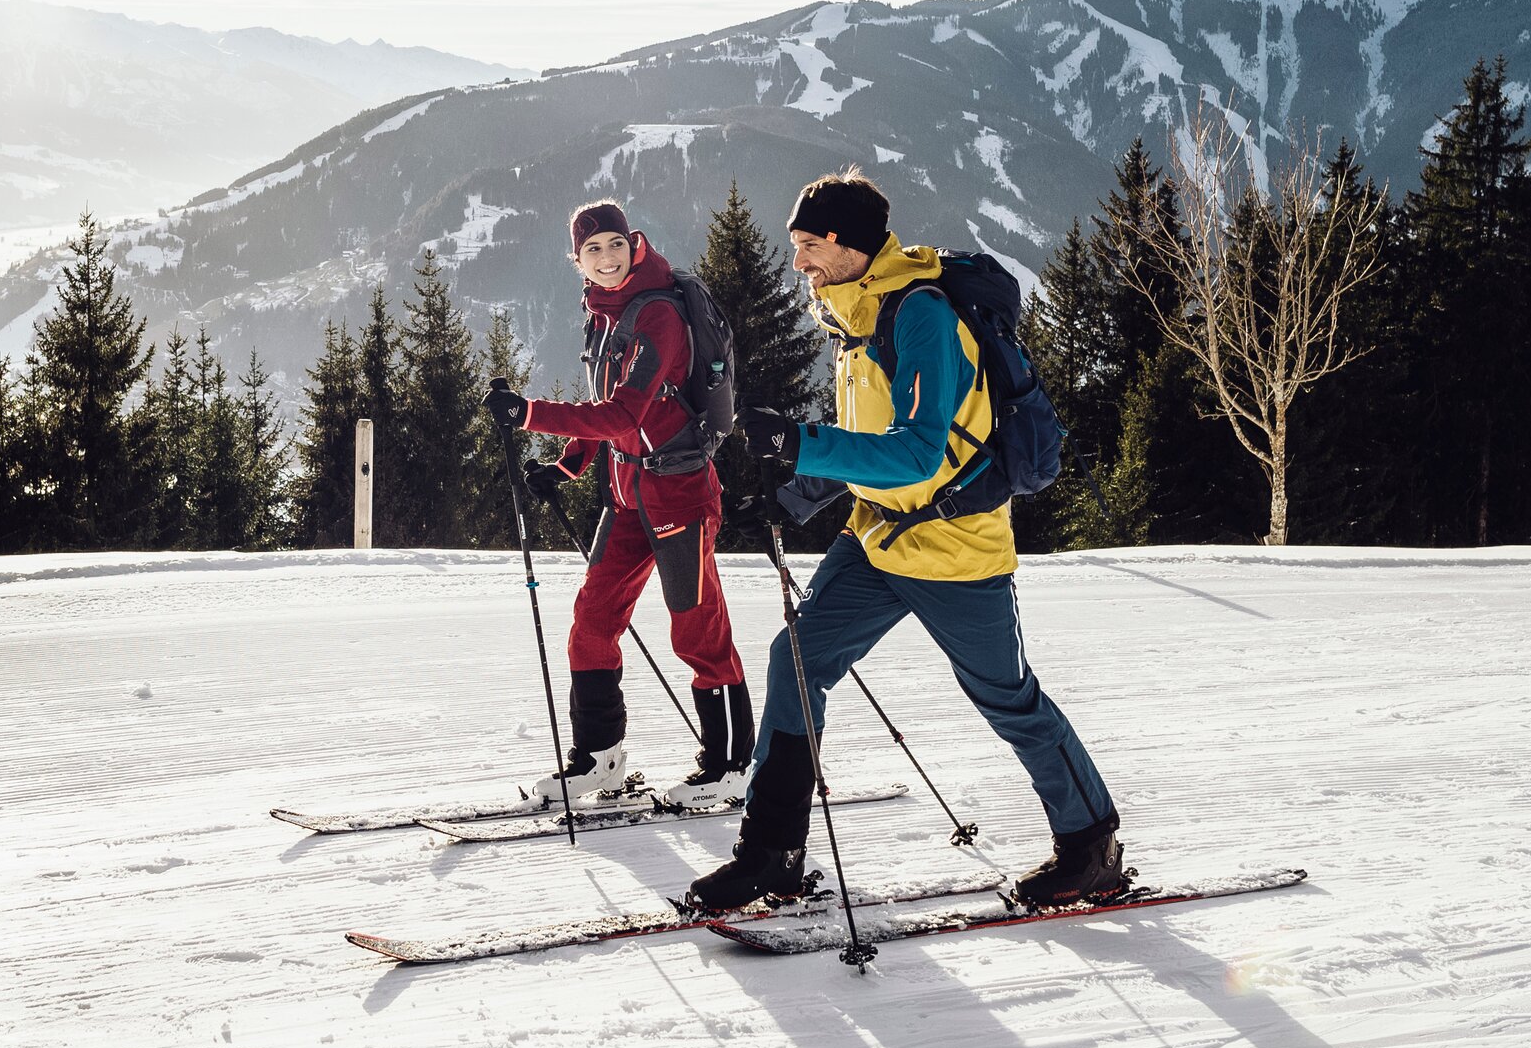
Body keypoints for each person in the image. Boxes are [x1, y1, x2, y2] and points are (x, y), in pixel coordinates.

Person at [687, 170, 1127, 912]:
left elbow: (919, 453)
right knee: (796, 660)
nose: (798, 265)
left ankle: (1092, 848)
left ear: (845, 242)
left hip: (955, 549)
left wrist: (802, 442)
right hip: (879, 539)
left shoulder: (917, 314)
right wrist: (799, 482)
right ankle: (772, 854)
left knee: (1008, 700)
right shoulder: (854, 314)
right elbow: (867, 439)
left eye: (806, 247)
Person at [483, 201, 752, 810]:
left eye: (613, 245)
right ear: (575, 260)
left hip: (680, 489)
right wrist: (568, 466)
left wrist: (529, 414)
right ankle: (600, 759)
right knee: (592, 623)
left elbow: (628, 413)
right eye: (591, 250)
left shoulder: (657, 312)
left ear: (634, 242)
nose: (606, 259)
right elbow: (610, 406)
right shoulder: (603, 314)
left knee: (697, 628)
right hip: (628, 492)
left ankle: (732, 764)